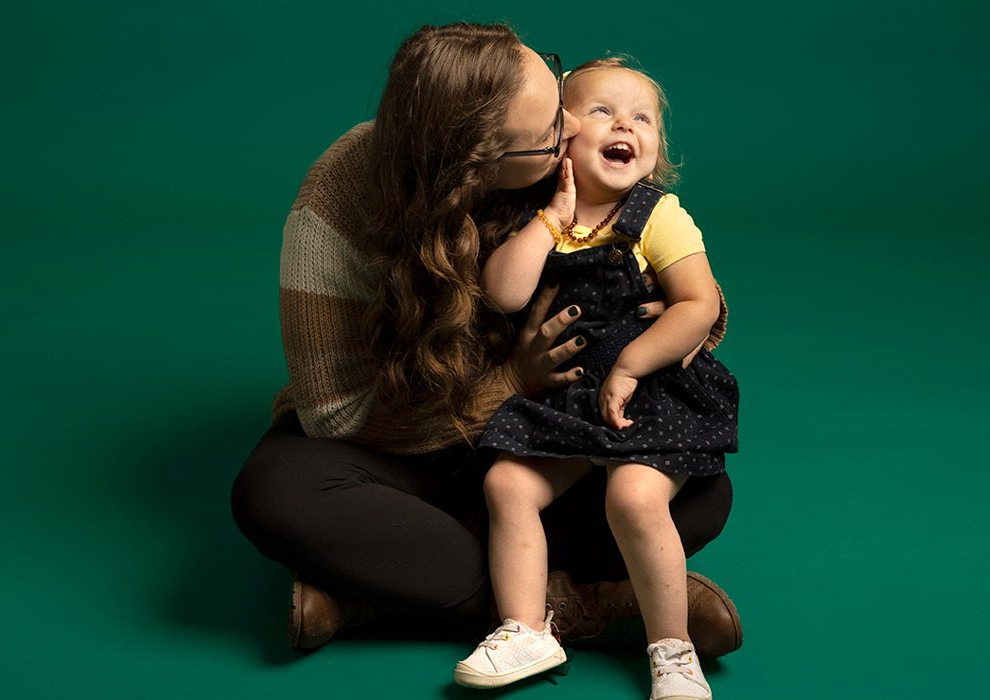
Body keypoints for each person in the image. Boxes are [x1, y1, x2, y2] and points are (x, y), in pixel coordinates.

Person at [230, 23, 741, 662]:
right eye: (553, 130)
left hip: (553, 432)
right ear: (481, 162)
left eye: (558, 95)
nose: (574, 129)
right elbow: (334, 414)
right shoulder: (338, 203)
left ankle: (377, 593)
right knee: (276, 490)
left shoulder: (554, 153)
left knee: (697, 491)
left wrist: (680, 308)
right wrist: (508, 385)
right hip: (408, 447)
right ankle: (586, 604)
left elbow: (674, 265)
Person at [451, 59, 737, 699]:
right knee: (506, 482)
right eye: (603, 112)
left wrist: (633, 364)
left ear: (656, 147)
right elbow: (502, 293)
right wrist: (551, 219)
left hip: (649, 395)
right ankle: (526, 629)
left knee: (633, 499)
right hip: (571, 396)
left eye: (642, 118)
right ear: (561, 137)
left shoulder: (659, 215)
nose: (624, 126)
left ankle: (671, 649)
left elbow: (699, 303)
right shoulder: (546, 217)